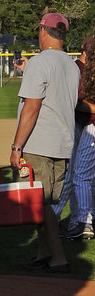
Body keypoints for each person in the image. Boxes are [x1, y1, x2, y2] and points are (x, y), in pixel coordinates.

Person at [10, 13, 80, 272]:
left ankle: (59, 258)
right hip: (63, 144)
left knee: (38, 204)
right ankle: (43, 254)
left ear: (43, 31)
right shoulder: (71, 64)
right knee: (48, 203)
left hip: (39, 143)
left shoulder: (40, 62)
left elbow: (32, 107)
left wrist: (17, 147)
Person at [53, 36, 95, 241]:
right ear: (85, 52)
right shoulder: (76, 68)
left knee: (81, 175)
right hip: (78, 125)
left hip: (90, 126)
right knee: (73, 174)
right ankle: (64, 219)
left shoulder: (84, 68)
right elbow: (76, 102)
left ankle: (84, 221)